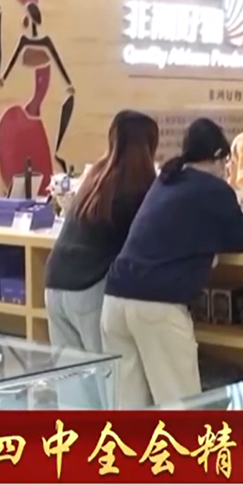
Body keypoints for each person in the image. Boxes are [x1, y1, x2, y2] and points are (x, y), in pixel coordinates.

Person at [103, 118, 243, 406]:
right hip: (159, 306)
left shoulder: (166, 181)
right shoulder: (213, 189)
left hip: (115, 299)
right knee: (179, 406)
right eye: (225, 162)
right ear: (218, 156)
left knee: (128, 407)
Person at [42, 110, 159, 359]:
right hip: (89, 286)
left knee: (71, 375)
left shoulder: (94, 176)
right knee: (105, 374)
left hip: (55, 281)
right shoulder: (140, 184)